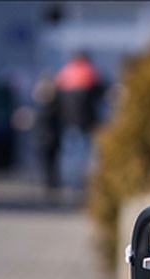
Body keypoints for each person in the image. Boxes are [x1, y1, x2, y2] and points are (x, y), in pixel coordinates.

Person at [54, 50, 103, 190]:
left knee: (68, 153)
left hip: (67, 121)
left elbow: (56, 100)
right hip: (87, 122)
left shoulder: (64, 74)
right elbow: (100, 95)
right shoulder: (91, 73)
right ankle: (83, 183)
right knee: (85, 154)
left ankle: (68, 183)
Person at [31, 73, 61, 196]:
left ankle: (50, 183)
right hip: (47, 135)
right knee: (48, 161)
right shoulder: (50, 103)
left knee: (50, 161)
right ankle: (50, 183)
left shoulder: (50, 104)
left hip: (48, 136)